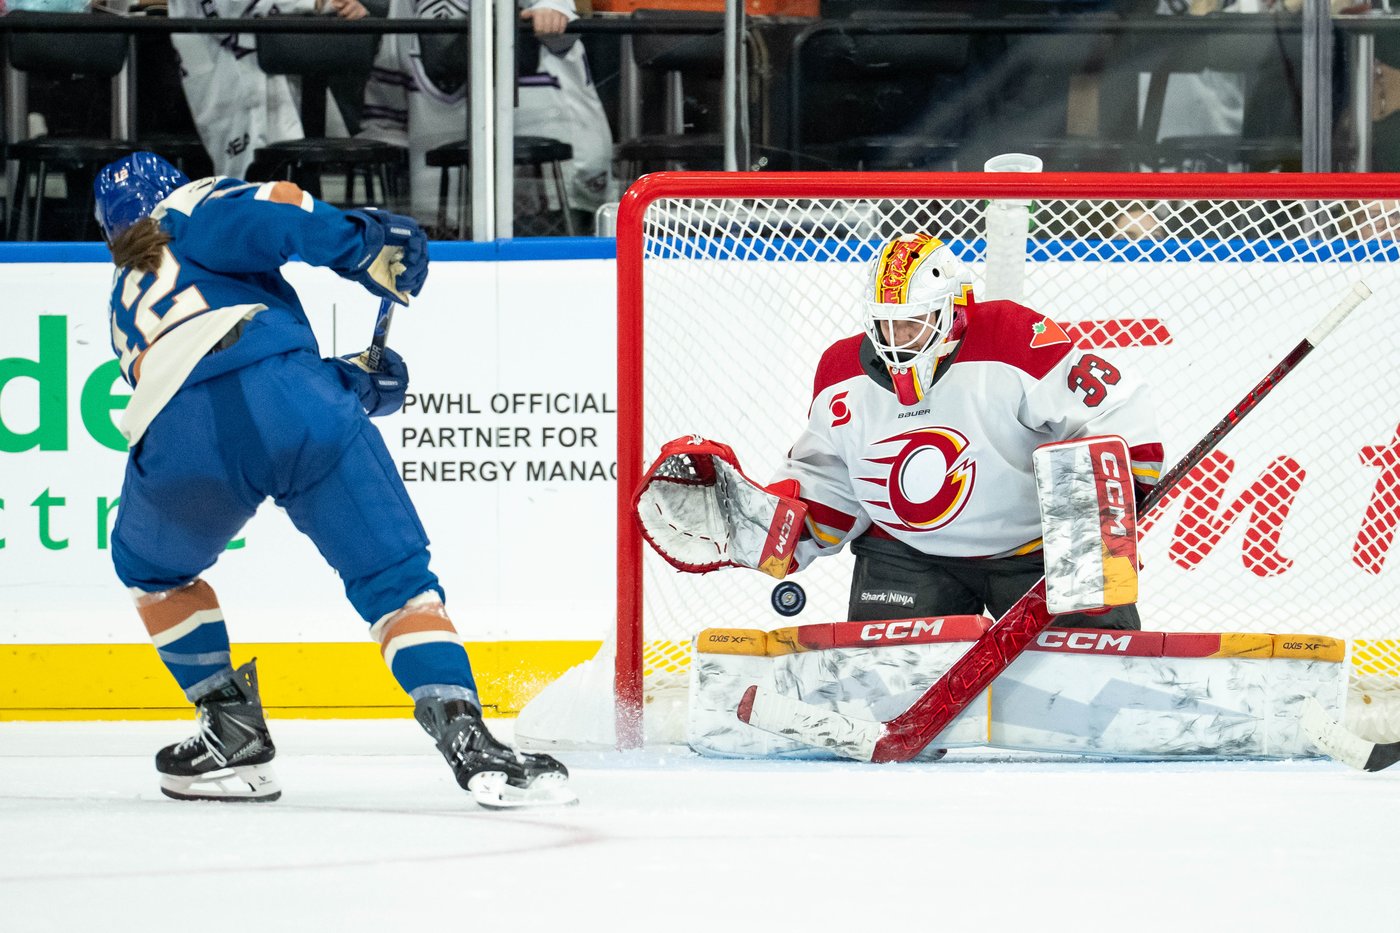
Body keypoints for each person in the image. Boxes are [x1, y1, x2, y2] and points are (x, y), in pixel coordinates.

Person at [92, 151, 574, 808]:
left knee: (153, 571)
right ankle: (470, 740)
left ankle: (229, 732)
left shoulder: (123, 293)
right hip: (297, 403)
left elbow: (211, 374)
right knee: (398, 587)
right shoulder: (189, 206)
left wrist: (342, 378)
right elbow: (277, 212)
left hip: (180, 432)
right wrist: (362, 243)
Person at [771, 232, 1164, 628]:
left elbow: (1112, 407)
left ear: (952, 309)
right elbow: (829, 479)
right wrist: (772, 530)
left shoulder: (1010, 336)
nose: (899, 339)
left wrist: (1102, 518)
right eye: (886, 324)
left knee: (1091, 671)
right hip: (905, 552)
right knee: (891, 684)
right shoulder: (841, 373)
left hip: (1036, 552)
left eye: (913, 322)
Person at [358, 0, 615, 231]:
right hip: (444, 171)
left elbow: (558, 15)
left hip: (544, 166)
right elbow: (394, 68)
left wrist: (553, 11)